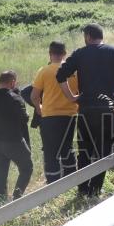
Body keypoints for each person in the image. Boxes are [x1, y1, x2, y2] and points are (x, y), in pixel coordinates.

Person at [57, 23, 114, 197]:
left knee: (84, 151)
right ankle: (95, 190)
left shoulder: (80, 54)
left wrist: (72, 97)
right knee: (103, 151)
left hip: (86, 109)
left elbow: (60, 75)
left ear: (88, 36)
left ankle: (82, 189)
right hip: (108, 110)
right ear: (100, 36)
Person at [31, 41, 79, 184]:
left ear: (50, 54)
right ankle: (71, 180)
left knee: (51, 152)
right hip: (70, 116)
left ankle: (53, 184)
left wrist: (39, 109)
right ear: (65, 53)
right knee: (67, 148)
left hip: (49, 117)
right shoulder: (74, 72)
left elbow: (34, 96)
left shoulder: (44, 71)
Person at [0, 71, 33, 203]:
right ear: (12, 82)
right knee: (27, 168)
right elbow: (24, 119)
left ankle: (1, 204)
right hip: (14, 141)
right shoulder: (15, 98)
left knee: (1, 175)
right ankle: (17, 198)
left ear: (0, 81)